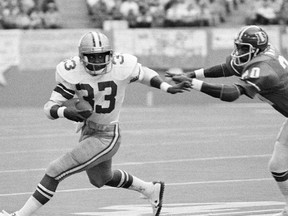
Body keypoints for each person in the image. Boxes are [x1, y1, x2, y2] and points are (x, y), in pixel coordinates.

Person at [0, 31, 191, 216]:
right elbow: (49, 107)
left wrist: (167, 87)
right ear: (82, 57)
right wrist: (64, 111)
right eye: (93, 57)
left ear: (110, 55)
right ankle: (150, 189)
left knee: (54, 170)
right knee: (100, 179)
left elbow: (144, 74)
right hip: (88, 130)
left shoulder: (121, 66)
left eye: (102, 57)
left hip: (107, 135)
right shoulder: (72, 71)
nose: (98, 61)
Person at [166, 25, 288, 216]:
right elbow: (228, 68)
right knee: (277, 165)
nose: (238, 52)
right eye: (238, 47)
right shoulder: (260, 55)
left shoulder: (264, 68)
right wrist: (192, 74)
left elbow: (231, 93)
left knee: (279, 165)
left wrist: (193, 83)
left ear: (256, 50)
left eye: (243, 48)